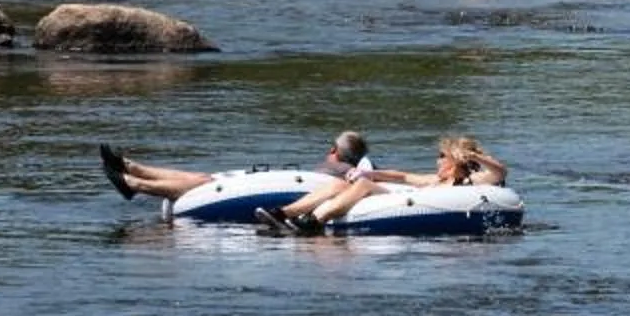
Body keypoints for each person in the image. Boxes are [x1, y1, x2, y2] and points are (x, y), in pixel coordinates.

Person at [259, 135, 506, 234]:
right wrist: (367, 173)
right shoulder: (435, 180)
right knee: (339, 186)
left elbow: (500, 171)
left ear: (456, 160)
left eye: (442, 155)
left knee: (364, 185)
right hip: (395, 198)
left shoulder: (473, 181)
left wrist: (474, 156)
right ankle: (284, 213)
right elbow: (401, 177)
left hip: (427, 207)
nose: (437, 159)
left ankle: (315, 221)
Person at [100, 131, 377, 202]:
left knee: (206, 185)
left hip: (293, 191)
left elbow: (362, 175)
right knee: (204, 177)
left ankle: (134, 184)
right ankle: (129, 167)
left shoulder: (344, 171)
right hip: (287, 183)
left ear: (334, 151)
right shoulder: (347, 168)